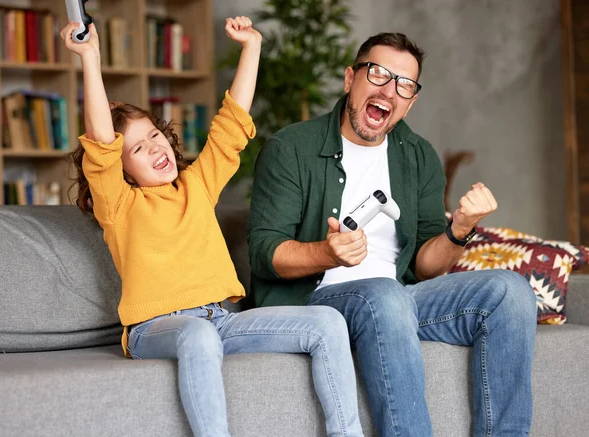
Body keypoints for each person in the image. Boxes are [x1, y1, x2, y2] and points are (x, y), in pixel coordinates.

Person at [61, 17, 364, 437]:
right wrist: (90, 58)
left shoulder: (196, 185)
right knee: (199, 336)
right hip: (155, 329)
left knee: (328, 322)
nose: (155, 148)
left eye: (154, 136)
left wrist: (252, 47)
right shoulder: (120, 205)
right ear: (121, 167)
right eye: (137, 148)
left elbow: (231, 126)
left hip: (221, 319)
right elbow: (101, 143)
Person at [248, 32, 537, 437]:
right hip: (317, 302)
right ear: (350, 79)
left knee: (511, 292)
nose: (390, 89)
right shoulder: (291, 147)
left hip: (396, 303)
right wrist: (326, 253)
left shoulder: (417, 156)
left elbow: (426, 265)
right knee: (384, 294)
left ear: (411, 100)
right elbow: (265, 253)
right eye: (379, 74)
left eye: (404, 84)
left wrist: (459, 230)